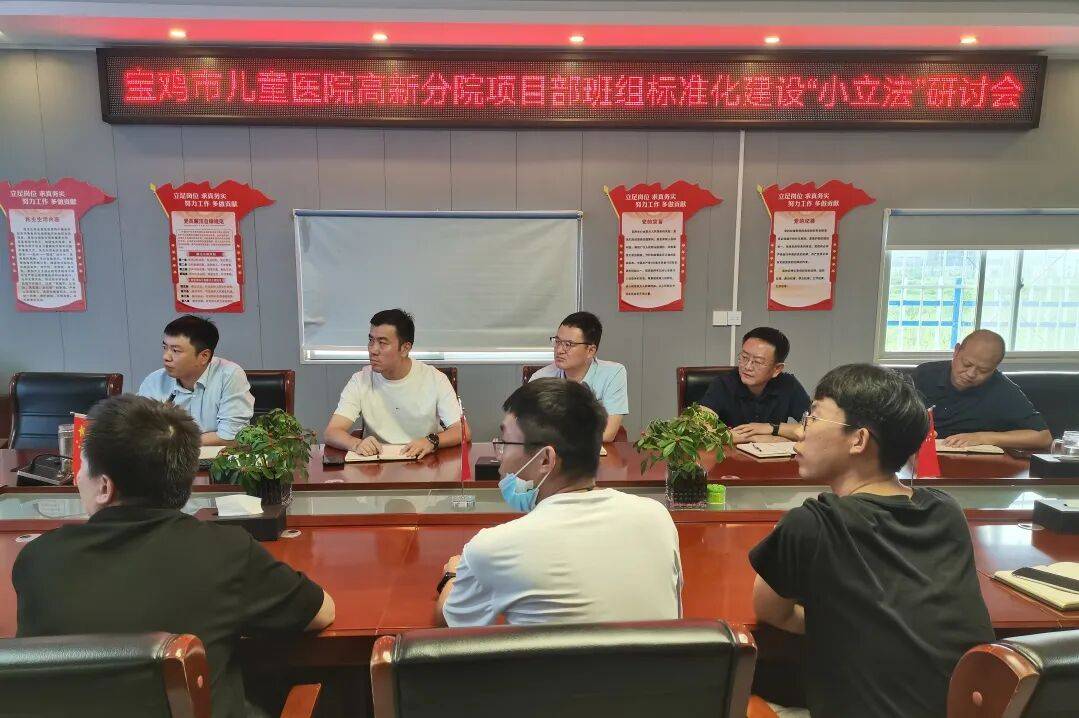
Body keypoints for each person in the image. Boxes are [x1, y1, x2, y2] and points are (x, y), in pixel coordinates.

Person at [13, 395, 335, 718]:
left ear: (105, 487)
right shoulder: (225, 551)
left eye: (81, 467)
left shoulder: (37, 561)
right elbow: (321, 611)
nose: (76, 477)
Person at [750, 364, 994, 718]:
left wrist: (830, 621)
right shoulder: (946, 510)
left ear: (858, 440)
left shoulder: (812, 524)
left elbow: (770, 611)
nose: (800, 432)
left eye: (812, 418)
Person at [436, 378, 681, 626]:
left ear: (545, 460)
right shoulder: (657, 518)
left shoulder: (493, 548)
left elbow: (447, 624)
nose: (500, 460)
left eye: (505, 443)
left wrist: (453, 575)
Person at [324, 309, 463, 459]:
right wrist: (357, 444)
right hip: (377, 463)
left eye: (382, 343)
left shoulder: (435, 379)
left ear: (405, 348)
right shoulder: (360, 380)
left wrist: (431, 441)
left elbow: (462, 430)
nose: (373, 350)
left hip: (424, 460)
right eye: (371, 340)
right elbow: (332, 432)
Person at [913, 329, 1052, 450]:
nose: (971, 374)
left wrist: (982, 437)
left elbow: (1043, 437)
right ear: (956, 351)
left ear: (995, 367)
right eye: (966, 364)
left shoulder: (1002, 389)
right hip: (920, 455)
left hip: (972, 461)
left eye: (983, 370)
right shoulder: (925, 374)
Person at [138, 314, 254, 446]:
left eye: (175, 350)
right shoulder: (154, 380)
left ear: (204, 356)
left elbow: (232, 436)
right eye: (165, 348)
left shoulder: (229, 375)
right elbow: (139, 431)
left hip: (216, 458)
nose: (166, 357)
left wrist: (175, 442)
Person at [698, 327, 810, 443]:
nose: (747, 367)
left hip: (772, 455)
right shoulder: (723, 384)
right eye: (744, 357)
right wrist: (752, 437)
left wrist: (772, 428)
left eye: (758, 362)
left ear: (777, 369)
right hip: (730, 453)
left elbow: (817, 427)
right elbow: (699, 430)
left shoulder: (788, 384)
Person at [530, 311, 629, 442]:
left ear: (590, 351)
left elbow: (607, 433)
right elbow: (527, 427)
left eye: (568, 344)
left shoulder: (613, 373)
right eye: (557, 341)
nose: (559, 350)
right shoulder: (541, 378)